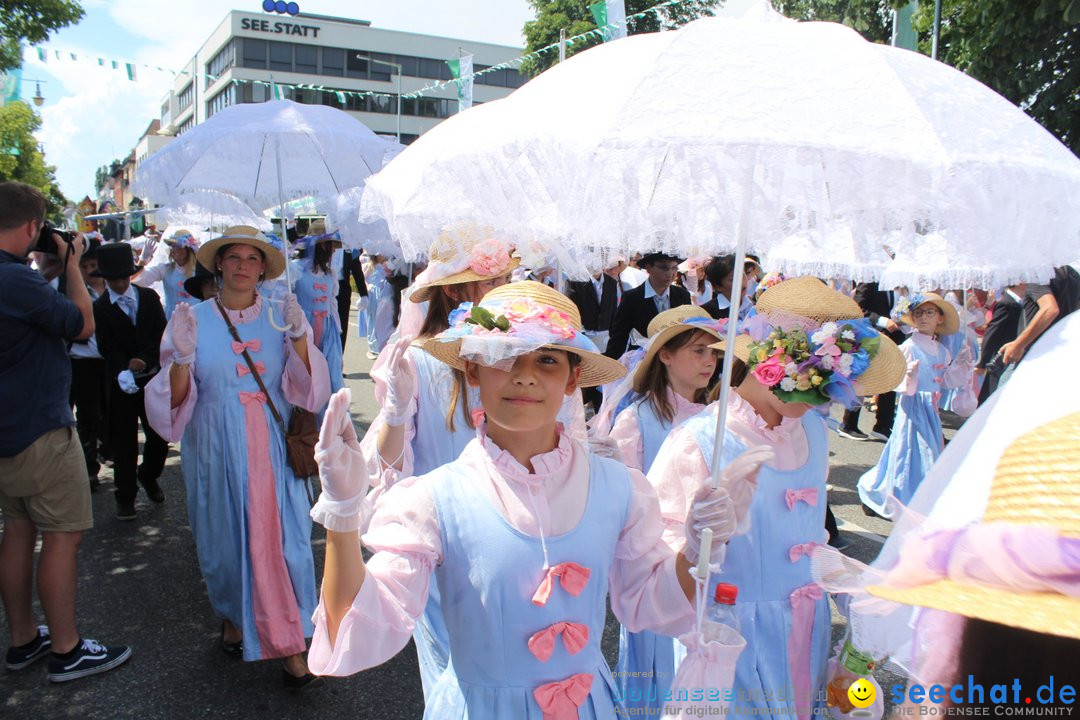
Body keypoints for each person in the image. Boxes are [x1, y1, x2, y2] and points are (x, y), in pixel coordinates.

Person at [309, 281, 770, 718]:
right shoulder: (435, 498)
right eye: (505, 357)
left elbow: (652, 603)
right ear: (473, 369)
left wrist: (698, 545)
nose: (525, 377)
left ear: (573, 381)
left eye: (547, 360)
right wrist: (343, 513)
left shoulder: (618, 486)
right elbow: (361, 627)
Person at [647, 276, 905, 719]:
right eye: (814, 376)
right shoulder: (700, 440)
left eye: (833, 383)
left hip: (805, 628)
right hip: (729, 636)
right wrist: (698, 541)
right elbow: (653, 569)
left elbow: (809, 539)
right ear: (772, 362)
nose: (822, 393)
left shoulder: (812, 430)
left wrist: (852, 583)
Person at [145, 225, 330, 689]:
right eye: (235, 258)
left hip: (271, 445)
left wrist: (301, 338)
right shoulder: (191, 318)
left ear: (264, 268)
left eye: (253, 259)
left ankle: (293, 646)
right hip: (216, 448)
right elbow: (175, 404)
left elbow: (307, 390)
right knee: (224, 546)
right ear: (219, 265)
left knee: (287, 546)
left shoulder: (280, 316)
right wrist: (181, 361)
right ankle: (233, 614)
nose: (244, 266)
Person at [358, 234, 518, 698]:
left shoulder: (513, 352)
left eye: (507, 278)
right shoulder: (417, 358)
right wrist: (393, 411)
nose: (505, 288)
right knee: (455, 668)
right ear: (454, 291)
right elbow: (388, 466)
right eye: (493, 280)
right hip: (446, 530)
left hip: (511, 524)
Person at [0, 181, 132, 682]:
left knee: (17, 530)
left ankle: (21, 638)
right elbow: (81, 324)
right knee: (62, 536)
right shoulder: (16, 281)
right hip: (39, 427)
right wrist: (73, 265)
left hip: (6, 431)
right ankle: (67, 648)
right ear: (33, 227)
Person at [600, 306, 725, 713]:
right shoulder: (637, 421)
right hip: (659, 566)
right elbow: (623, 504)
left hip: (712, 561)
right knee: (658, 673)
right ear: (665, 356)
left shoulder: (719, 419)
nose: (709, 361)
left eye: (714, 353)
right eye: (699, 351)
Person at [858, 293, 969, 519]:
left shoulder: (942, 350)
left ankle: (919, 495)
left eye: (929, 313)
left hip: (931, 410)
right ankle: (905, 497)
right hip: (913, 408)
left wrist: (961, 366)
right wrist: (909, 378)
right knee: (910, 451)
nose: (924, 317)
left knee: (928, 450)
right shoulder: (909, 346)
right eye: (918, 313)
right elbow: (897, 383)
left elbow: (945, 380)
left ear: (939, 318)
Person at [92, 243, 170, 520]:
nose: (121, 283)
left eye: (125, 276)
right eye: (115, 279)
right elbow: (105, 346)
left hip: (152, 382)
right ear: (106, 279)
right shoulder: (100, 308)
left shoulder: (148, 298)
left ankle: (148, 475)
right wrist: (123, 367)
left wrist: (144, 360)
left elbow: (161, 335)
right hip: (120, 385)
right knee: (124, 444)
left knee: (160, 438)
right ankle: (125, 497)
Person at [837, 281, 907, 441]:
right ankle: (848, 424)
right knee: (862, 379)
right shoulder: (871, 280)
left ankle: (884, 425)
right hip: (870, 336)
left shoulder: (904, 283)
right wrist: (883, 321)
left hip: (895, 337)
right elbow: (858, 308)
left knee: (891, 380)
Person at [68, 237, 108, 489]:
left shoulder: (109, 289)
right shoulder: (69, 290)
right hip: (81, 361)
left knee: (106, 413)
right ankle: (89, 467)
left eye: (94, 265)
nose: (90, 271)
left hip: (107, 361)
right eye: (85, 266)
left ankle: (106, 450)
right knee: (87, 416)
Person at [290, 225, 345, 402]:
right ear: (322, 246)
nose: (332, 252)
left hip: (327, 330)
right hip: (304, 329)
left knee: (331, 374)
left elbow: (331, 302)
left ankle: (332, 420)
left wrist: (336, 329)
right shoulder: (295, 269)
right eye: (330, 246)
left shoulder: (330, 273)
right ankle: (308, 421)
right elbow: (286, 300)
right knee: (307, 372)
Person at [605, 252, 692, 359]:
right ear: (648, 267)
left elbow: (688, 332)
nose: (670, 273)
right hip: (642, 359)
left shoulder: (682, 295)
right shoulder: (632, 298)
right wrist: (611, 365)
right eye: (664, 268)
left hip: (674, 359)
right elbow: (619, 337)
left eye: (674, 268)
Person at [999, 265, 1079, 365]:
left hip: (1036, 353)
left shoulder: (1037, 275)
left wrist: (1019, 344)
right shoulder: (1070, 273)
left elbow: (1050, 309)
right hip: (1059, 349)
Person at [133, 228, 199, 319]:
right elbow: (139, 281)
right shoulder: (165, 269)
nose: (176, 250)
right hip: (171, 320)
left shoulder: (199, 271)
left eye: (180, 246)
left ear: (189, 249)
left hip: (196, 319)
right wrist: (143, 260)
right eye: (173, 246)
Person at [976, 284, 1025, 404]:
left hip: (1009, 354)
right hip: (1000, 355)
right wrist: (982, 363)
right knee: (992, 392)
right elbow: (992, 333)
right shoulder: (1006, 303)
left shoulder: (1017, 302)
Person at [700, 254, 756, 321]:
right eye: (733, 279)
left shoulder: (754, 307)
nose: (741, 282)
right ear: (718, 286)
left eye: (743, 275)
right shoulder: (707, 312)